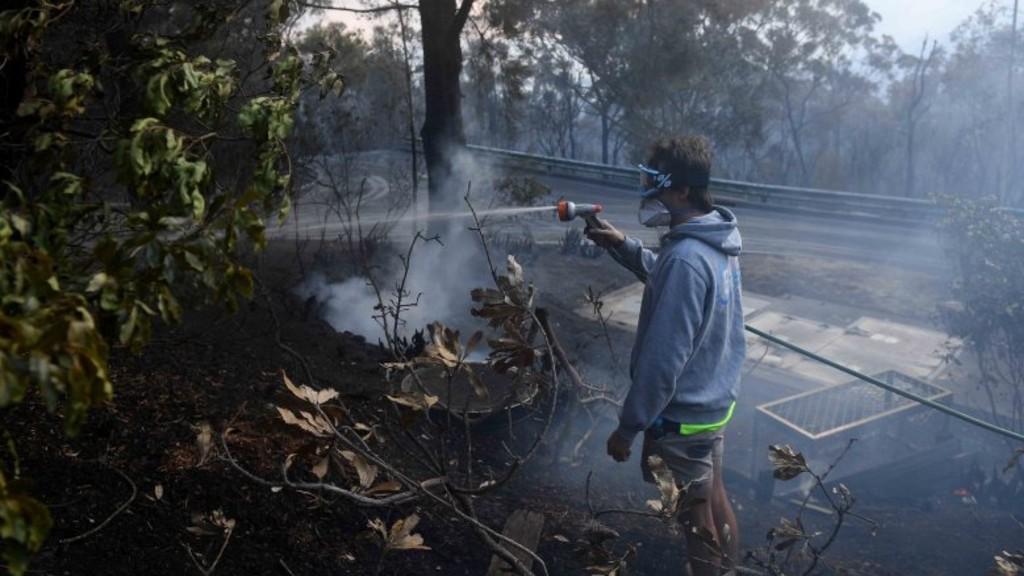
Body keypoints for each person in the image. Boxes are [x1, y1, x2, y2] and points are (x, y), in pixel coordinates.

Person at [585, 136, 745, 576]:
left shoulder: (686, 258)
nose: (649, 193)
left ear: (681, 191)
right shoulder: (716, 237)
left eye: (656, 184)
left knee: (696, 522)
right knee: (715, 499)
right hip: (713, 403)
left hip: (683, 416)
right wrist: (622, 245)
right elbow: (671, 278)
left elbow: (662, 360)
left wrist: (628, 427)